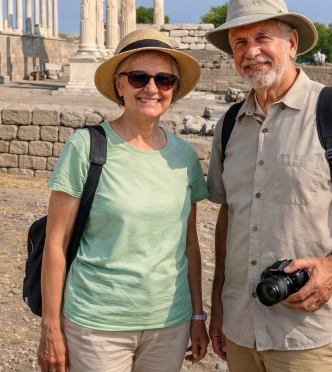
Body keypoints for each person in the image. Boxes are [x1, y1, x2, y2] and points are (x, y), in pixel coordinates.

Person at [204, 0, 332, 372]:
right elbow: (229, 213)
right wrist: (219, 302)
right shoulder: (229, 125)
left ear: (291, 43)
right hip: (241, 325)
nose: (251, 52)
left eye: (262, 38)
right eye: (240, 43)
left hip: (310, 331)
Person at [37, 29, 210, 372]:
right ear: (119, 84)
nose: (151, 88)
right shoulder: (85, 147)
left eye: (164, 79)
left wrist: (197, 314)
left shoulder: (184, 155)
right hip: (96, 322)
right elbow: (55, 243)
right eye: (138, 77)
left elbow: (189, 244)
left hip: (169, 322)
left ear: (173, 88)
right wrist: (51, 327)